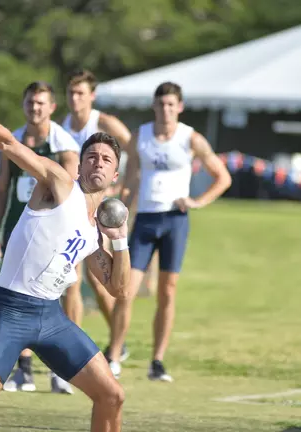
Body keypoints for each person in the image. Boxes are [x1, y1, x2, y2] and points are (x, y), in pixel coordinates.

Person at [0, 99, 130, 432]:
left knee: (112, 395)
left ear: (114, 175)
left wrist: (120, 240)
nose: (97, 164)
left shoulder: (94, 233)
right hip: (11, 310)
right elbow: (7, 144)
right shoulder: (59, 184)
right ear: (79, 166)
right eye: (91, 157)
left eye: (106, 160)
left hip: (51, 318)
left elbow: (118, 288)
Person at [107, 81, 232, 381]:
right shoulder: (141, 136)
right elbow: (130, 179)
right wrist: (120, 213)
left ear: (180, 107)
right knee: (126, 291)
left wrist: (197, 201)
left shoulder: (191, 138)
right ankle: (113, 355)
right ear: (154, 106)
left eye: (171, 104)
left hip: (175, 220)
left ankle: (157, 361)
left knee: (167, 291)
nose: (166, 109)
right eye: (161, 104)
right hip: (146, 220)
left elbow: (222, 177)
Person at [0, 81, 81, 394]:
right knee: (18, 294)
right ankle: (23, 369)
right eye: (30, 102)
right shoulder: (12, 142)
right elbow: (1, 189)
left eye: (41, 103)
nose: (35, 108)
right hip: (19, 230)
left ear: (52, 107)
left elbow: (71, 192)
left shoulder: (64, 146)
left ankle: (64, 369)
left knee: (66, 292)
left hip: (56, 234)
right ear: (23, 103)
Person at [61, 69, 136, 364]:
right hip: (77, 205)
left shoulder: (104, 122)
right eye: (70, 93)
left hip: (104, 206)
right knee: (75, 280)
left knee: (99, 279)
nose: (75, 99)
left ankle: (116, 339)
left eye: (80, 93)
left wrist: (123, 187)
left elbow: (135, 152)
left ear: (92, 96)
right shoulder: (63, 126)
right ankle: (75, 351)